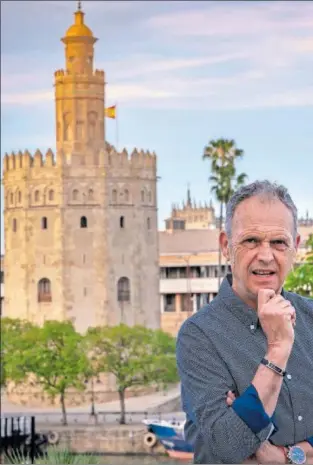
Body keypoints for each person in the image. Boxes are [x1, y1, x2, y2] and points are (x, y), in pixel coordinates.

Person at [176, 180, 313, 464]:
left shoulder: (310, 317)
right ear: (226, 246)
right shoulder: (199, 336)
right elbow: (229, 445)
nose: (265, 255)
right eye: (251, 241)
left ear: (295, 248)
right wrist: (278, 347)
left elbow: (241, 434)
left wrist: (286, 456)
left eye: (278, 242)